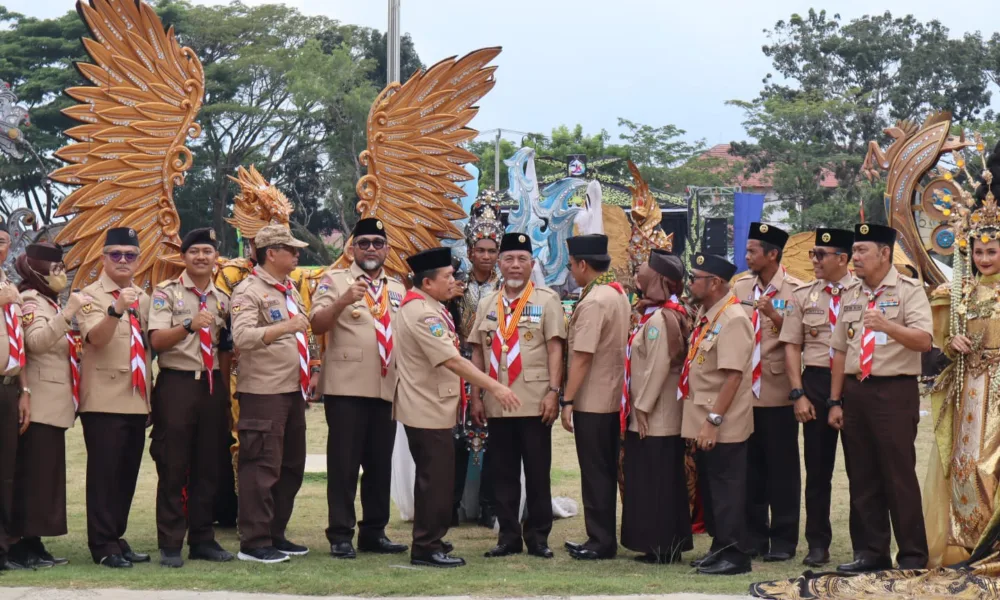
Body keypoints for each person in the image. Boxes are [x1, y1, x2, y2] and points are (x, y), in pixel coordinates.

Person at [393, 247, 520, 568]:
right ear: (427, 282)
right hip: (426, 407)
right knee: (434, 479)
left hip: (432, 405)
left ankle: (431, 537)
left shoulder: (428, 306)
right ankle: (425, 547)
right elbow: (451, 359)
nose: (455, 281)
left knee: (437, 476)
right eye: (448, 276)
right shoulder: (422, 312)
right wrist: (494, 386)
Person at [828, 223, 932, 572]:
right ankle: (870, 553)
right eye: (854, 251)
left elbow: (924, 341)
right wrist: (835, 400)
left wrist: (888, 326)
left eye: (861, 251)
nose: (853, 258)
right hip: (856, 390)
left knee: (898, 474)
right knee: (861, 475)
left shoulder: (909, 290)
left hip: (894, 392)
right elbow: (840, 350)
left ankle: (913, 556)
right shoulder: (851, 293)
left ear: (884, 253)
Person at [309, 218, 408, 559]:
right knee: (344, 465)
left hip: (386, 386)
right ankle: (340, 534)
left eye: (377, 243)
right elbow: (316, 323)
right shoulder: (335, 280)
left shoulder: (397, 289)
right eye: (363, 242)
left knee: (381, 465)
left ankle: (374, 532)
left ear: (386, 250)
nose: (370, 249)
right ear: (351, 248)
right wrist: (342, 301)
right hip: (347, 389)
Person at [468, 233, 565, 559]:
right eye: (508, 259)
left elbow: (555, 349)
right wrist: (476, 396)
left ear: (532, 264)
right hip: (498, 403)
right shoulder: (487, 302)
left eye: (522, 259)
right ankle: (508, 537)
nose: (514, 265)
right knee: (502, 474)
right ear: (500, 263)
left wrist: (554, 392)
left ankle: (538, 538)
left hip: (535, 400)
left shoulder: (546, 300)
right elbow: (478, 353)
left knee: (538, 474)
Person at [925, 147, 1000, 566]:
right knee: (964, 464)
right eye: (978, 251)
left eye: (991, 251)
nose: (983, 258)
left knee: (992, 465)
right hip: (969, 390)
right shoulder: (959, 293)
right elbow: (946, 337)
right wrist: (952, 343)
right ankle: (969, 545)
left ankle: (993, 544)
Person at [147, 228, 235, 568]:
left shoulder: (223, 299)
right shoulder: (165, 293)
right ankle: (170, 542)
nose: (201, 257)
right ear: (183, 257)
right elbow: (156, 341)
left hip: (211, 385)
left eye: (208, 251)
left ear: (216, 257)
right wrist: (189, 325)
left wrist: (225, 394)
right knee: (172, 463)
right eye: (194, 251)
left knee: (208, 465)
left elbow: (224, 350)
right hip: (177, 384)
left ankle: (202, 539)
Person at [230, 224, 314, 564]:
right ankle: (254, 540)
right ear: (271, 253)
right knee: (261, 466)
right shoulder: (249, 290)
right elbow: (242, 337)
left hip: (291, 390)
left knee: (291, 466)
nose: (297, 254)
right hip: (263, 391)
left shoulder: (289, 288)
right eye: (290, 249)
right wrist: (285, 327)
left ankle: (275, 533)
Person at [779, 228, 860, 568]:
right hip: (815, 381)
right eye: (812, 254)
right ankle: (817, 545)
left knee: (862, 471)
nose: (814, 260)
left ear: (842, 258)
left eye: (821, 255)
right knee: (817, 469)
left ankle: (866, 546)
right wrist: (798, 393)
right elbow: (791, 345)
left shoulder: (864, 292)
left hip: (856, 383)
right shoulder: (803, 295)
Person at [77, 227, 152, 568]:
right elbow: (95, 339)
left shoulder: (144, 297)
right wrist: (116, 309)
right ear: (103, 258)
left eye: (130, 255)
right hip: (104, 399)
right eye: (116, 254)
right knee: (104, 475)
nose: (123, 260)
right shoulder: (88, 296)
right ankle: (102, 543)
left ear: (139, 260)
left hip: (136, 398)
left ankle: (116, 535)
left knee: (126, 474)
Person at [7, 243, 82, 569]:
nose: (61, 275)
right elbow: (34, 342)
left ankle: (34, 542)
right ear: (38, 272)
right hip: (38, 402)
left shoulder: (46, 301)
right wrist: (67, 314)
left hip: (53, 404)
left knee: (44, 478)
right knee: (32, 479)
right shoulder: (30, 301)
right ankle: (21, 543)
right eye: (55, 270)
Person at [682, 252, 754, 576]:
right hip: (706, 416)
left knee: (728, 488)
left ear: (715, 283)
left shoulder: (733, 318)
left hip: (724, 421)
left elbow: (733, 376)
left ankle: (736, 555)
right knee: (713, 488)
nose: (690, 283)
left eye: (695, 277)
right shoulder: (709, 315)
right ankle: (720, 546)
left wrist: (713, 422)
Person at [733, 222, 802, 562]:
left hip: (776, 389)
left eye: (753, 252)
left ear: (772, 254)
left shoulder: (796, 290)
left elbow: (797, 337)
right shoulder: (741, 286)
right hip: (745, 391)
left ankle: (784, 540)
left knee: (782, 470)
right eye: (747, 251)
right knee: (750, 469)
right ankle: (754, 537)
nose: (747, 257)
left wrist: (774, 315)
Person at [621, 250, 693, 565]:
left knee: (658, 480)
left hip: (657, 413)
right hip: (658, 410)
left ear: (659, 279)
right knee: (660, 478)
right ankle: (664, 544)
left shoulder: (662, 318)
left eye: (646, 270)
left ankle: (663, 546)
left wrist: (643, 409)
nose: (640, 273)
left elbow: (658, 366)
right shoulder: (661, 312)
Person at [561, 234, 630, 561]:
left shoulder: (593, 301)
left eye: (572, 265)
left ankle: (600, 541)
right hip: (613, 396)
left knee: (595, 472)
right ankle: (601, 537)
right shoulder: (616, 294)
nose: (571, 271)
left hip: (592, 399)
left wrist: (567, 400)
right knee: (602, 470)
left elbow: (583, 356)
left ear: (583, 264)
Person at [454, 195, 504, 528]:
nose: (485, 256)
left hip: (495, 367)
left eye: (491, 250)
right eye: (480, 250)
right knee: (457, 436)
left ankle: (489, 503)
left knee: (495, 437)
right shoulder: (456, 285)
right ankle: (453, 502)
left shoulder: (508, 287)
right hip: (457, 366)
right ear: (470, 251)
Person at [0, 224, 33, 572]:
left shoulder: (8, 284)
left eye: (3, 242)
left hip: (9, 386)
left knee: (6, 471)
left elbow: (18, 340)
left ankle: (3, 548)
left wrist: (24, 390)